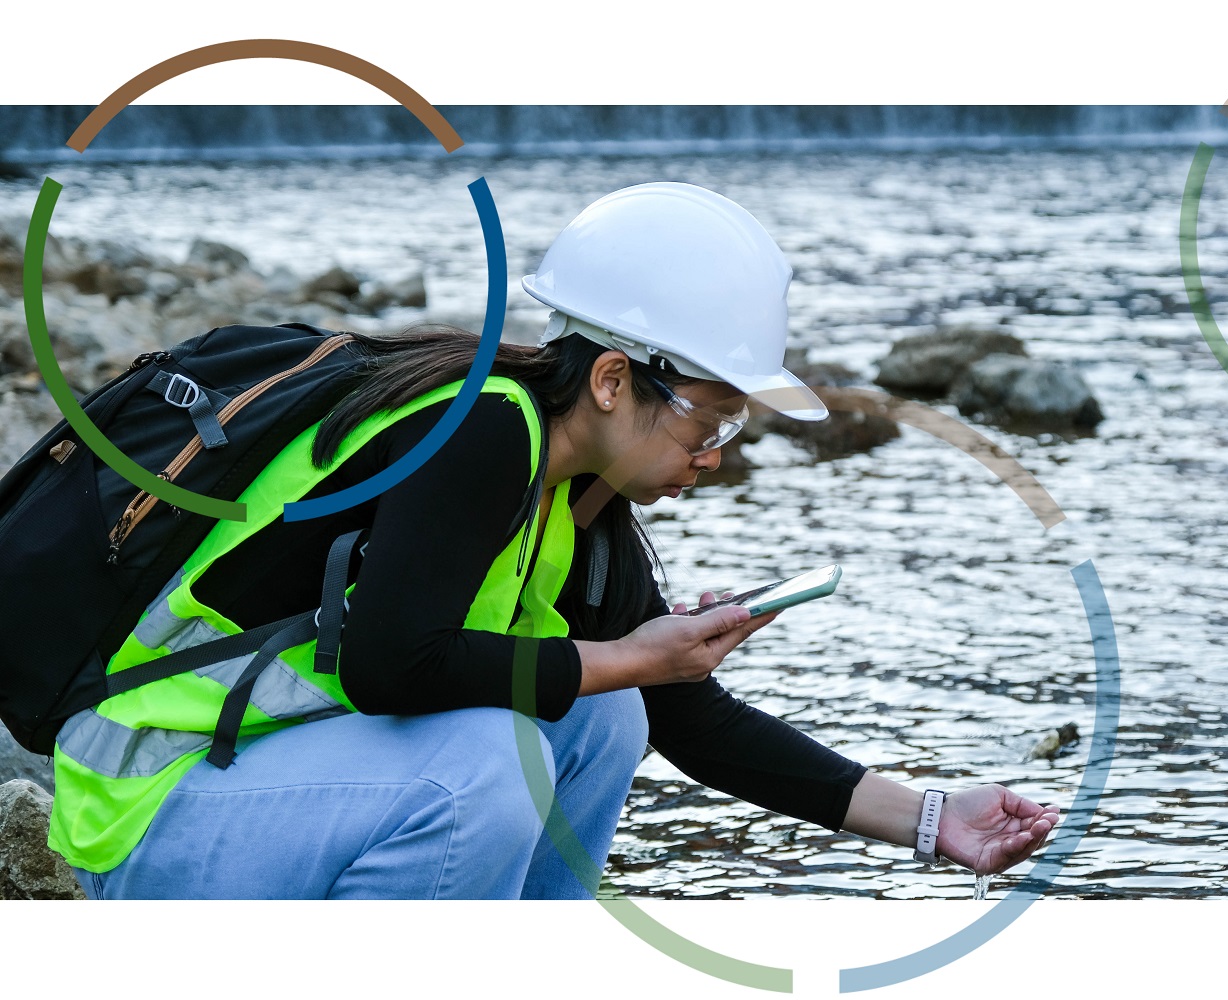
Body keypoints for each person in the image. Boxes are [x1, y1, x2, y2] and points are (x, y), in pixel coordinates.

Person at [51, 182, 1061, 897]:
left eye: (729, 427)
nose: (711, 453)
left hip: (271, 789)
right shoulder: (481, 429)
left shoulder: (575, 495)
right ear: (615, 378)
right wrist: (630, 654)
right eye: (707, 418)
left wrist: (929, 818)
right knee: (486, 759)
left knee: (607, 717)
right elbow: (391, 663)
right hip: (153, 804)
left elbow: (684, 718)